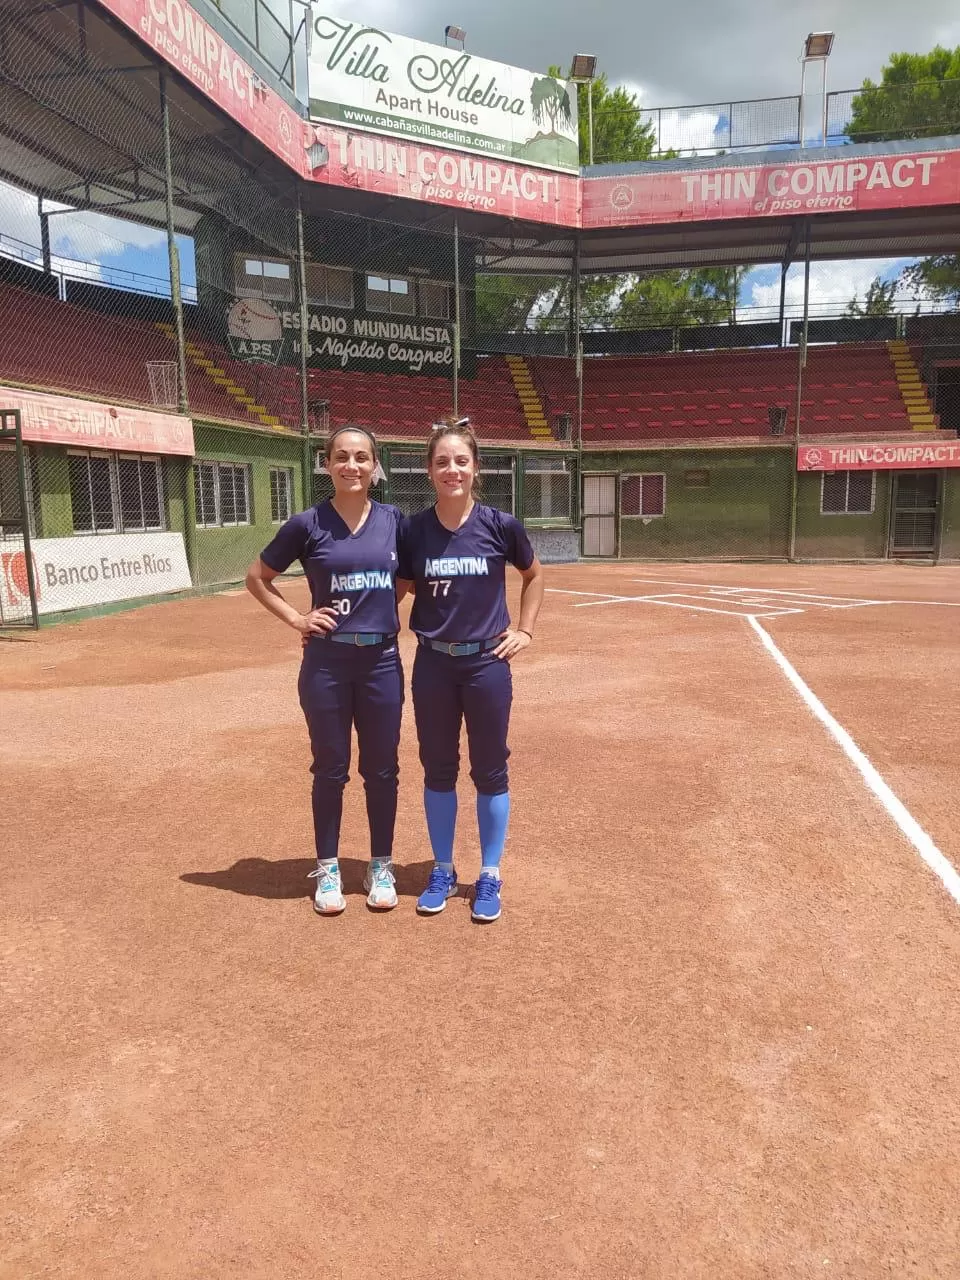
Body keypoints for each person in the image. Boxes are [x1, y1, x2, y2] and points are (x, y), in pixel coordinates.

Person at [245, 427, 403, 915]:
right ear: (327, 464)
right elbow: (257, 578)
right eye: (342, 457)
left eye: (361, 457)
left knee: (382, 769)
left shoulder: (395, 521)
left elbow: (407, 579)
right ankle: (328, 868)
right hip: (327, 663)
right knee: (330, 768)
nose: (352, 466)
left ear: (375, 466)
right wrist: (298, 618)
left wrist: (377, 613)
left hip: (381, 662)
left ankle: (380, 866)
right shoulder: (307, 524)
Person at [396, 417, 544, 923]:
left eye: (461, 461)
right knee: (438, 767)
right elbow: (398, 589)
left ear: (475, 467)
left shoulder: (501, 525)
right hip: (434, 664)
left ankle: (489, 873)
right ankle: (442, 869)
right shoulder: (414, 530)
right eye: (442, 462)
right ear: (429, 470)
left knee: (490, 768)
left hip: (486, 664)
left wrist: (525, 630)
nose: (452, 470)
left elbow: (533, 574)